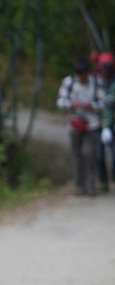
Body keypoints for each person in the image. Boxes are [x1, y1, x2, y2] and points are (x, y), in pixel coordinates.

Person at [56, 57, 107, 196]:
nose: (81, 77)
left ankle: (91, 185)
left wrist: (92, 106)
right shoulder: (69, 82)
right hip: (74, 124)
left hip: (92, 124)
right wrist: (71, 104)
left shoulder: (96, 82)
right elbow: (60, 101)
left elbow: (104, 102)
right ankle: (79, 186)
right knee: (76, 156)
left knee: (88, 153)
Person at [94, 51, 114, 191]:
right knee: (99, 156)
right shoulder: (95, 81)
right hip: (97, 123)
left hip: (112, 123)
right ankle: (103, 181)